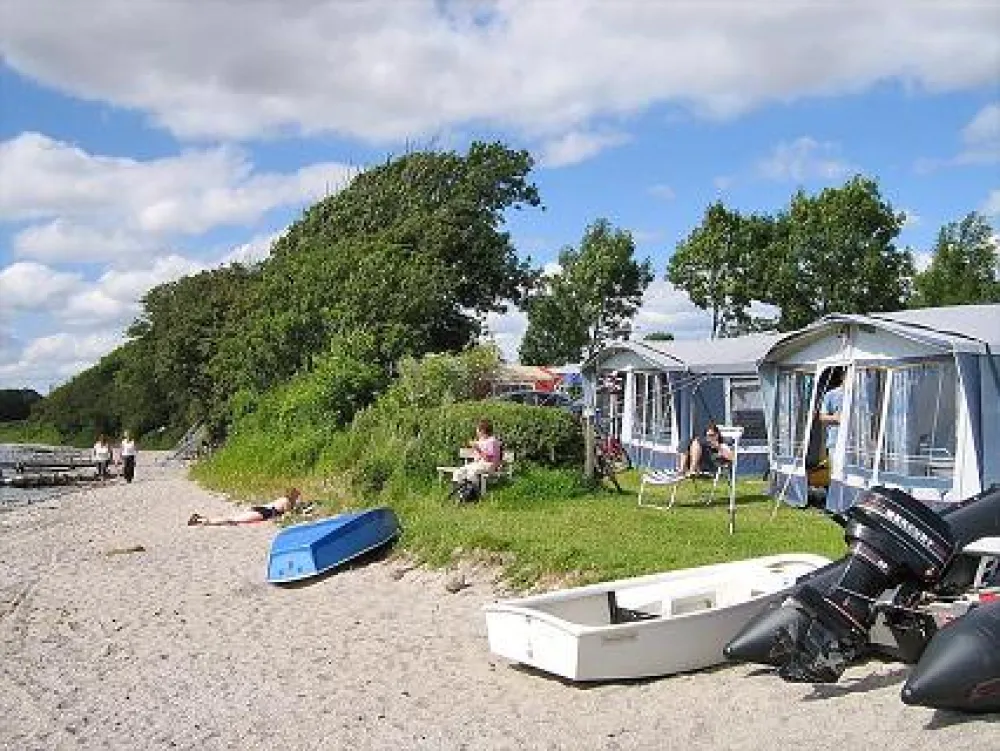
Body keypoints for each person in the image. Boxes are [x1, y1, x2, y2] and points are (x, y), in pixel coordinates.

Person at [187, 488, 301, 526]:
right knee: (233, 520)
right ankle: (202, 520)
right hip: (263, 513)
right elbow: (288, 515)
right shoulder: (287, 502)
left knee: (233, 518)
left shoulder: (283, 499)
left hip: (260, 509)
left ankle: (202, 518)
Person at [451, 418, 503, 494]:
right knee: (458, 472)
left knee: (472, 472)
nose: (476, 431)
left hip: (489, 465)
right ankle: (460, 493)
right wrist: (474, 446)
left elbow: (488, 459)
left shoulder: (492, 441)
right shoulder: (481, 441)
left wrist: (477, 448)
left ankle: (473, 494)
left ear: (482, 430)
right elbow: (477, 456)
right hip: (479, 464)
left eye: (477, 429)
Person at [817, 367, 845, 457]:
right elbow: (822, 417)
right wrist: (835, 418)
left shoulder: (859, 394)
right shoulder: (831, 394)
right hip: (835, 441)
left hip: (854, 444)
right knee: (835, 469)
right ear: (843, 377)